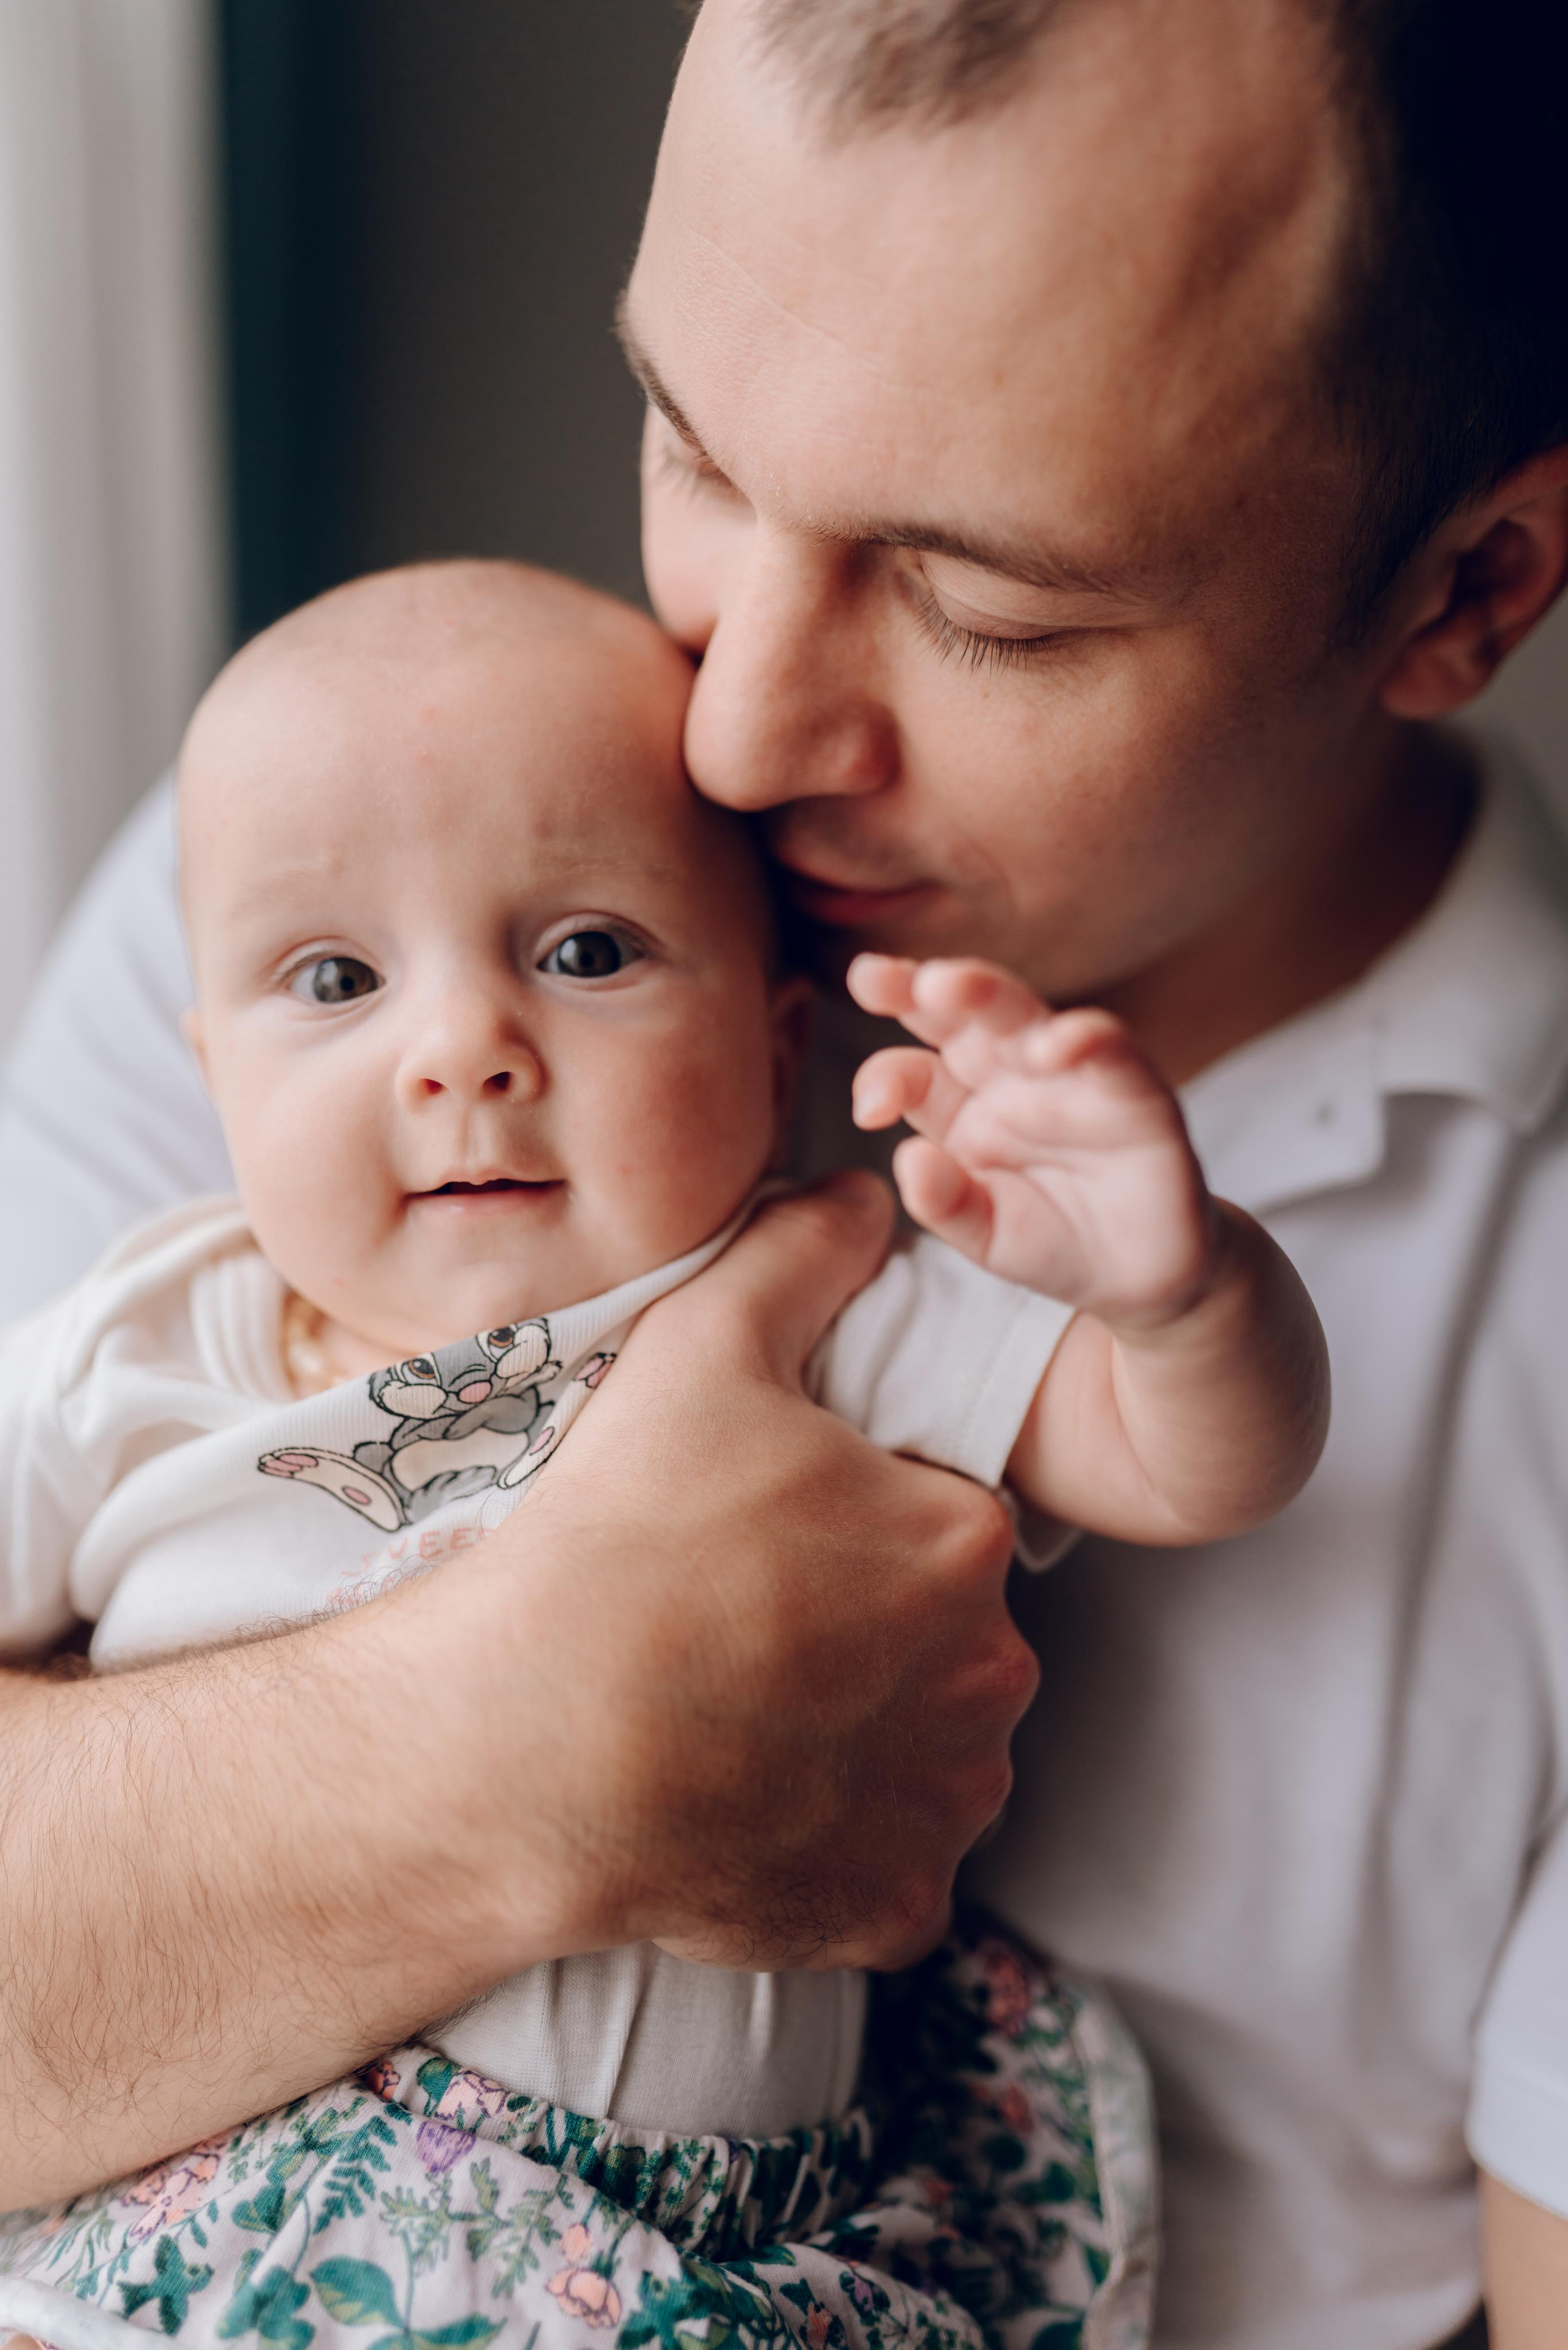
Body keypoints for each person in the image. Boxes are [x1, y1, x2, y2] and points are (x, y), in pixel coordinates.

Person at [0, 0, 1565, 2341]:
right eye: (692, 449)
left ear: (1465, 596)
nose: (731, 726)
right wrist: (525, 1741)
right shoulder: (356, 909)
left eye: (985, 606)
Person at [0, 557, 1327, 2339]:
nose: (462, 1048)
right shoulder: (135, 1350)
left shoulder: (832, 1311)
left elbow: (1192, 1467)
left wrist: (1179, 1297)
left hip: (697, 2271)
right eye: (333, 979)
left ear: (777, 1041)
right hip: (209, 2230)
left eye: (586, 951)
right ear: (210, 1070)